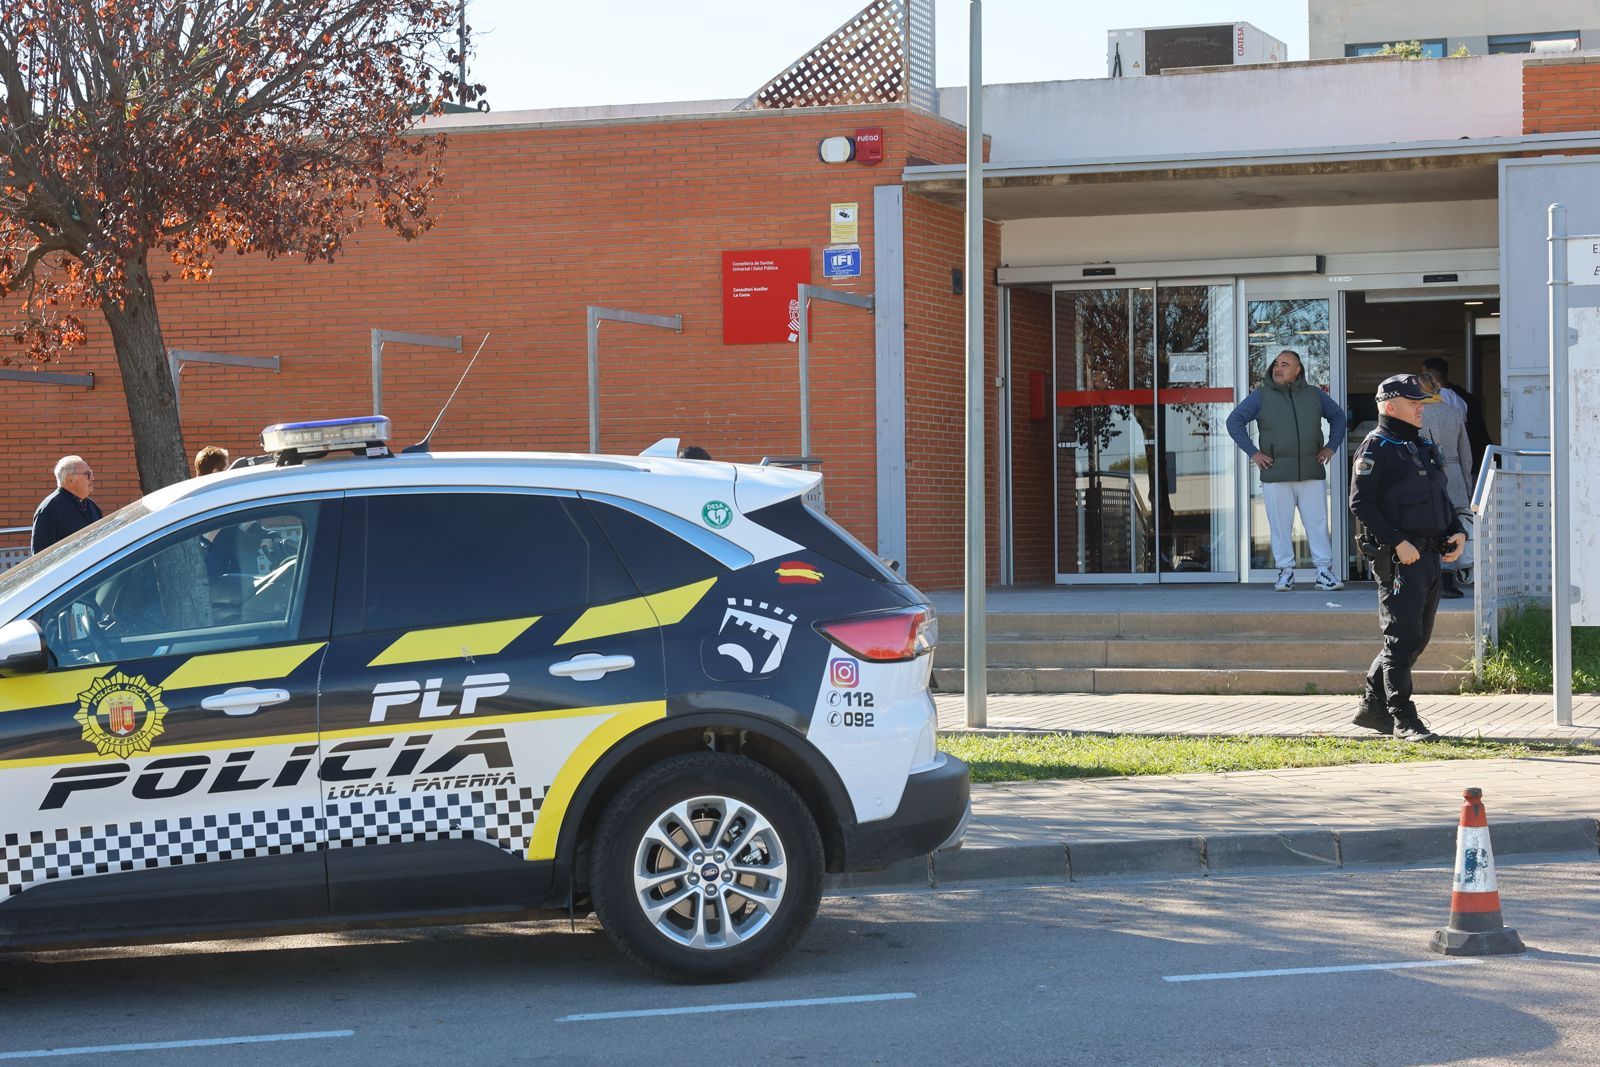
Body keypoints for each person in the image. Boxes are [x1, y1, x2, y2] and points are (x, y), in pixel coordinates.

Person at [1349, 375, 1467, 741]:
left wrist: (1456, 529)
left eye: (1421, 403)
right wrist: (1397, 541)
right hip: (1399, 559)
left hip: (1429, 557)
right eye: (1414, 404)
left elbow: (1440, 496)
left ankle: (1372, 707)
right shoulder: (1376, 447)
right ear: (1390, 405)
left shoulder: (1421, 445)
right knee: (1401, 639)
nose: (1420, 409)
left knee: (1414, 639)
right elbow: (1361, 503)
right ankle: (1404, 720)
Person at [1225, 349, 1348, 592]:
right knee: (1280, 525)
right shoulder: (1261, 396)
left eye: (1285, 364)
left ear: (1298, 370)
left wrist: (1331, 447)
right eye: (1275, 365)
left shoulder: (1314, 395)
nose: (1278, 369)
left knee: (1317, 523)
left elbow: (1338, 417)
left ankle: (1324, 572)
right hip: (1276, 473)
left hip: (1311, 472)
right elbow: (1234, 421)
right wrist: (1253, 453)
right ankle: (1286, 572)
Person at [1418, 371, 1472, 600]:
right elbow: (1466, 453)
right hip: (1455, 473)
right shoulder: (1454, 413)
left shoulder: (1417, 415)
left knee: (1431, 526)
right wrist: (1467, 485)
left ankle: (1432, 579)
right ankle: (1449, 579)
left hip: (1427, 475)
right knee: (1453, 526)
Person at [1420, 357, 1492, 477]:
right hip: (1465, 461)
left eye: (1422, 375)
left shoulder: (1440, 398)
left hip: (1443, 464)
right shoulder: (1460, 398)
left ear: (1428, 376)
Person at [30, 455, 103, 553]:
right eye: (87, 474)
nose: (92, 478)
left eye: (91, 473)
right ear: (70, 479)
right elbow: (41, 555)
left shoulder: (91, 506)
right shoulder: (50, 509)